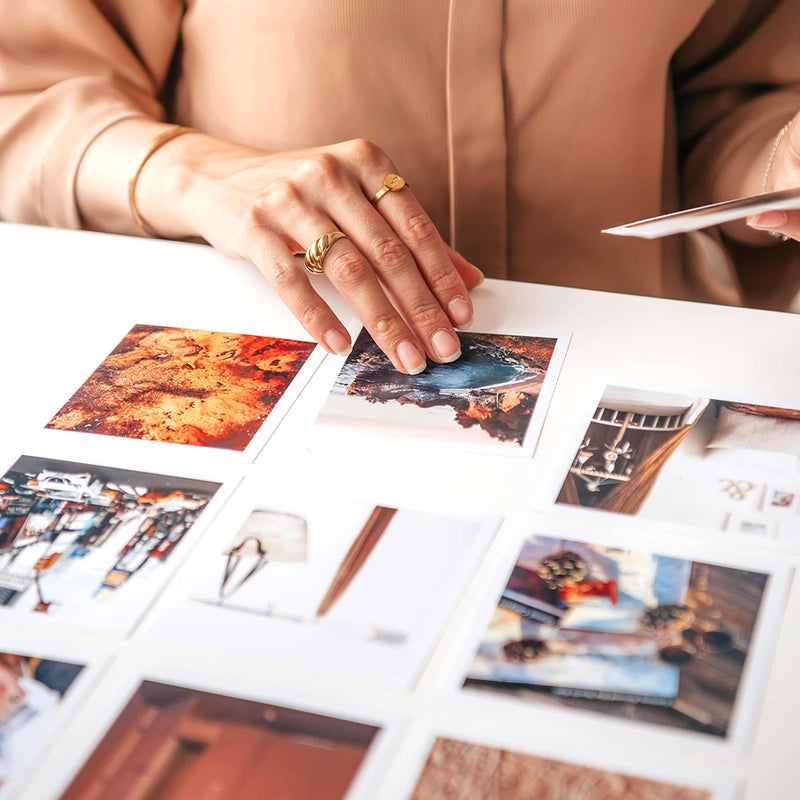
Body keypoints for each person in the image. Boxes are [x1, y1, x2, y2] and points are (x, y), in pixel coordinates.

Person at [0, 1, 798, 374]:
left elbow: (725, 91)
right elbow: (23, 95)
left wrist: (780, 161)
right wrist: (183, 169)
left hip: (638, 365)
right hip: (267, 370)